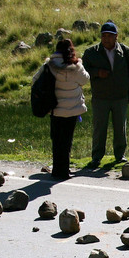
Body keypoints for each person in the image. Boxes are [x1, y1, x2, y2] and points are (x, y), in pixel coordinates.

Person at [81, 21, 129, 166]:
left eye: (110, 36)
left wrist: (125, 85)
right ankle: (96, 158)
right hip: (100, 97)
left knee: (120, 128)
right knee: (99, 129)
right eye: (104, 36)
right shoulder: (91, 53)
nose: (106, 39)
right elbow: (82, 71)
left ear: (116, 37)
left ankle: (120, 156)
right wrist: (97, 73)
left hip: (120, 97)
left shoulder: (126, 51)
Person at [46, 38, 90, 180]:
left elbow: (35, 80)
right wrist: (81, 63)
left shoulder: (48, 65)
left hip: (55, 108)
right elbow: (85, 80)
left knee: (56, 140)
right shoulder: (76, 66)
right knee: (67, 140)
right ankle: (64, 171)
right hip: (72, 110)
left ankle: (56, 170)